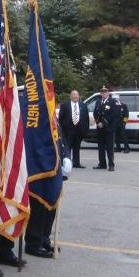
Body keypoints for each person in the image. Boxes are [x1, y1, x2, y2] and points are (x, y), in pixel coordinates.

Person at [24, 124, 71, 258]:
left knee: (51, 204)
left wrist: (66, 156)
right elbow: (34, 141)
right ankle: (33, 243)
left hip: (55, 166)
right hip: (42, 166)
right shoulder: (38, 110)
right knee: (39, 205)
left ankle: (44, 238)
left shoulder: (52, 114)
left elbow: (61, 139)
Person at [93, 86, 121, 172]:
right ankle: (102, 164)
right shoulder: (98, 102)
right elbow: (95, 113)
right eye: (102, 92)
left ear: (108, 93)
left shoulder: (113, 102)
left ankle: (111, 165)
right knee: (101, 147)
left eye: (105, 91)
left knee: (109, 148)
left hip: (109, 128)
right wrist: (98, 122)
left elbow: (114, 114)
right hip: (100, 129)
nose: (103, 93)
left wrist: (104, 122)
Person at [59, 89, 89, 168]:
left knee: (77, 147)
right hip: (68, 130)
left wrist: (85, 130)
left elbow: (86, 119)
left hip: (79, 130)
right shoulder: (65, 105)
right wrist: (62, 130)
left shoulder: (83, 105)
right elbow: (61, 119)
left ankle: (76, 163)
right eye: (73, 95)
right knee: (67, 148)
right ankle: (67, 163)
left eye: (76, 95)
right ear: (70, 96)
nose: (75, 96)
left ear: (79, 96)